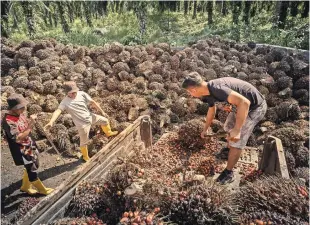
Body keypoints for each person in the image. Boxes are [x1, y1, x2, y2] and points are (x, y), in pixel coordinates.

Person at [182, 72, 267, 184]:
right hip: (239, 106)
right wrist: (205, 128)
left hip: (255, 107)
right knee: (227, 128)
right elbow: (212, 111)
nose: (190, 94)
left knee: (237, 141)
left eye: (189, 92)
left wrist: (237, 130)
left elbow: (244, 102)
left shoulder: (217, 88)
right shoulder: (207, 91)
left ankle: (228, 172)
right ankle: (228, 151)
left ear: (193, 90)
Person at [44, 81, 118, 162]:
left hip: (90, 117)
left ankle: (109, 133)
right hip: (82, 125)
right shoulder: (65, 102)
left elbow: (93, 102)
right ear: (67, 93)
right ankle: (85, 156)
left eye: (75, 92)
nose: (74, 94)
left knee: (105, 121)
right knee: (84, 142)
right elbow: (58, 111)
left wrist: (102, 111)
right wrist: (51, 121)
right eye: (71, 93)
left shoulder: (82, 94)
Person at [2, 94, 54, 195]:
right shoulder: (9, 121)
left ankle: (25, 186)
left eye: (23, 107)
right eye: (21, 108)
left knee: (33, 164)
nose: (23, 110)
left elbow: (24, 126)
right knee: (31, 169)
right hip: (22, 149)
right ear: (13, 109)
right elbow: (17, 138)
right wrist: (31, 125)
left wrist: (30, 120)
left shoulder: (19, 114)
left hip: (29, 144)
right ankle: (42, 189)